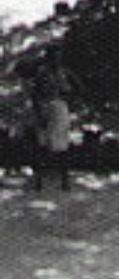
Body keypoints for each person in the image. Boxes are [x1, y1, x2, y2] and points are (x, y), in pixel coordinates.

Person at [30, 48, 74, 191]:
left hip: (59, 107)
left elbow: (73, 89)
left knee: (62, 144)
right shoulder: (42, 74)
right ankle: (39, 180)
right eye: (54, 57)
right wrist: (39, 113)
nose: (57, 60)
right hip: (45, 106)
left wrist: (67, 95)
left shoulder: (63, 73)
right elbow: (35, 94)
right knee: (42, 144)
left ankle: (64, 179)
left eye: (59, 57)